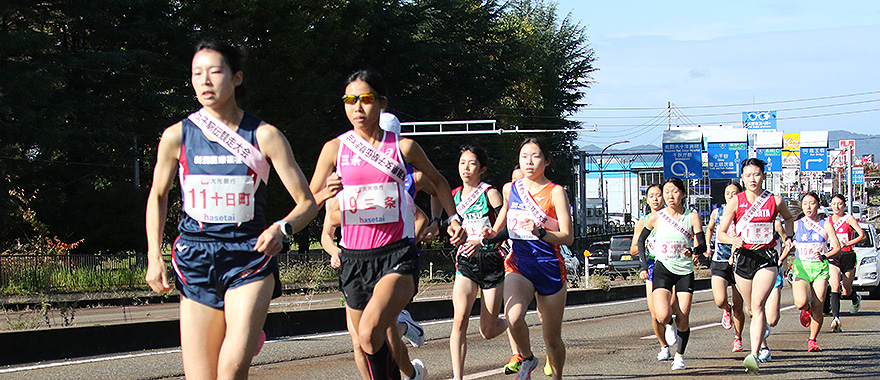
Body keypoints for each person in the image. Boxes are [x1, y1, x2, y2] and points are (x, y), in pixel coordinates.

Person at [145, 39, 318, 379]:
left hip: (249, 256)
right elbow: (158, 195)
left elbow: (307, 204)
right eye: (197, 73)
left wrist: (282, 229)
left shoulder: (265, 136)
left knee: (231, 369)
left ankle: (246, 333)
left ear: (236, 78)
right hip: (195, 257)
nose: (205, 81)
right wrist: (154, 255)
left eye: (215, 72)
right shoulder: (176, 136)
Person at [309, 68, 464, 380]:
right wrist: (326, 192)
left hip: (396, 256)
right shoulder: (335, 149)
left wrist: (453, 218)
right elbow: (309, 199)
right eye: (350, 100)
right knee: (362, 342)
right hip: (354, 258)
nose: (357, 107)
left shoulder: (403, 148)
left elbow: (439, 181)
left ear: (381, 103)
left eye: (365, 99)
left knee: (368, 333)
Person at [321, 164, 435, 380]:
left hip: (386, 261)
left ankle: (412, 372)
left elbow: (420, 216)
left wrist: (414, 239)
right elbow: (327, 234)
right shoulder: (336, 193)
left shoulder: (388, 185)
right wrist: (334, 251)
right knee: (358, 340)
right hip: (352, 264)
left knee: (385, 334)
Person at [485, 138, 573, 380]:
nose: (529, 161)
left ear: (546, 160)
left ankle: (557, 377)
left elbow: (568, 237)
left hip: (550, 268)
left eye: (535, 156)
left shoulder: (556, 192)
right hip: (519, 264)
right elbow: (504, 217)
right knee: (513, 317)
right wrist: (493, 233)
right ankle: (527, 357)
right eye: (524, 156)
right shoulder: (510, 188)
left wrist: (541, 232)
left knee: (552, 338)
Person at [717, 158, 794, 374]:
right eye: (748, 175)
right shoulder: (736, 202)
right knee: (750, 308)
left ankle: (753, 354)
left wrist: (787, 237)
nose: (753, 178)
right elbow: (722, 233)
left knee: (759, 305)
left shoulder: (775, 200)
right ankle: (761, 332)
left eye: (757, 174)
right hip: (743, 257)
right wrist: (733, 241)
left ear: (763, 176)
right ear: (742, 177)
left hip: (766, 257)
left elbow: (789, 219)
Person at [447, 145, 509, 380]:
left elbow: (506, 225)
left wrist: (485, 238)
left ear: (482, 168)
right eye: (462, 162)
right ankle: (458, 376)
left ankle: (513, 322)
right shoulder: (453, 196)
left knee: (487, 330)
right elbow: (450, 224)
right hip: (466, 262)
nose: (466, 168)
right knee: (460, 319)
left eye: (472, 163)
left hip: (491, 260)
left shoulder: (489, 193)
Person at [637, 178, 706, 370]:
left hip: (684, 271)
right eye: (666, 192)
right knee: (661, 314)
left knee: (684, 316)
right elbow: (640, 241)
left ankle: (680, 356)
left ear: (683, 194)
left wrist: (693, 251)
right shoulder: (657, 216)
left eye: (674, 191)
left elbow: (703, 244)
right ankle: (669, 323)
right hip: (662, 269)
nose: (670, 196)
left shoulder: (691, 216)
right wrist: (643, 266)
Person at [779, 191, 840, 352]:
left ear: (818, 205)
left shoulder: (825, 224)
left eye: (812, 203)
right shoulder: (797, 224)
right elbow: (787, 241)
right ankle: (805, 310)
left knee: (818, 306)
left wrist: (825, 255)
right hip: (802, 267)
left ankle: (812, 340)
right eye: (805, 203)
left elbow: (837, 247)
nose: (808, 206)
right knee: (800, 303)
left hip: (820, 268)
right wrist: (783, 260)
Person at [632, 184, 680, 361]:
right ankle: (664, 346)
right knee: (654, 313)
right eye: (651, 195)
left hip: (671, 263)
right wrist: (643, 248)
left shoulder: (672, 217)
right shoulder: (643, 222)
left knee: (672, 304)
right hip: (652, 266)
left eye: (658, 195)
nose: (655, 199)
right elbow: (633, 249)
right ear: (647, 199)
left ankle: (671, 322)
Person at [704, 182, 746, 353]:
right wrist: (707, 245)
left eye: (734, 192)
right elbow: (710, 228)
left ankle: (738, 338)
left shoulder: (746, 212)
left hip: (740, 259)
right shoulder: (718, 212)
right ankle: (725, 309)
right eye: (727, 192)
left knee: (739, 304)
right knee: (720, 299)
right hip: (720, 258)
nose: (730, 195)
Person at [827, 194, 866, 332]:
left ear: (844, 205)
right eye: (833, 204)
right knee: (835, 286)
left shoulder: (848, 219)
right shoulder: (828, 221)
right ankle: (836, 319)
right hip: (833, 256)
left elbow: (862, 235)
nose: (836, 207)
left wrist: (848, 243)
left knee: (846, 289)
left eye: (839, 204)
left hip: (848, 256)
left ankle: (855, 297)